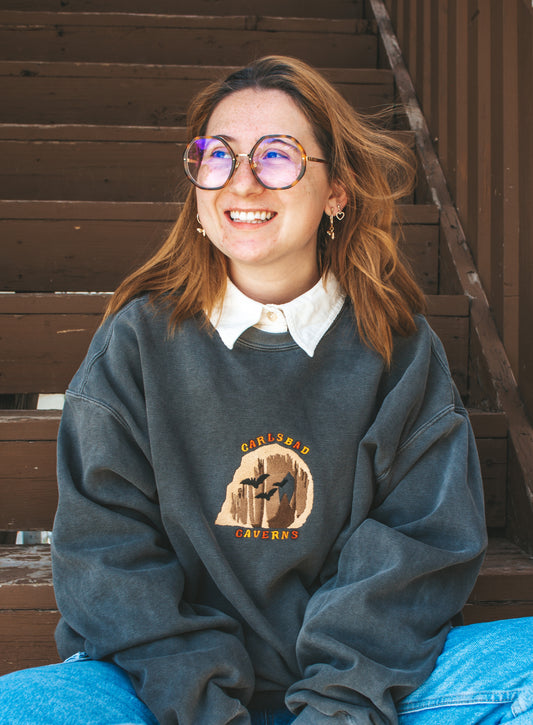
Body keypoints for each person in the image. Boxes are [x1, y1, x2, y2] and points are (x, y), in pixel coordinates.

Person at [0, 55, 532, 725]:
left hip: (359, 688)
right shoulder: (135, 343)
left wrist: (334, 710)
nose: (241, 181)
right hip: (155, 693)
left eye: (276, 156)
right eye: (216, 156)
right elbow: (105, 555)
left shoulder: (396, 350)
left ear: (335, 189)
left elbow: (417, 546)